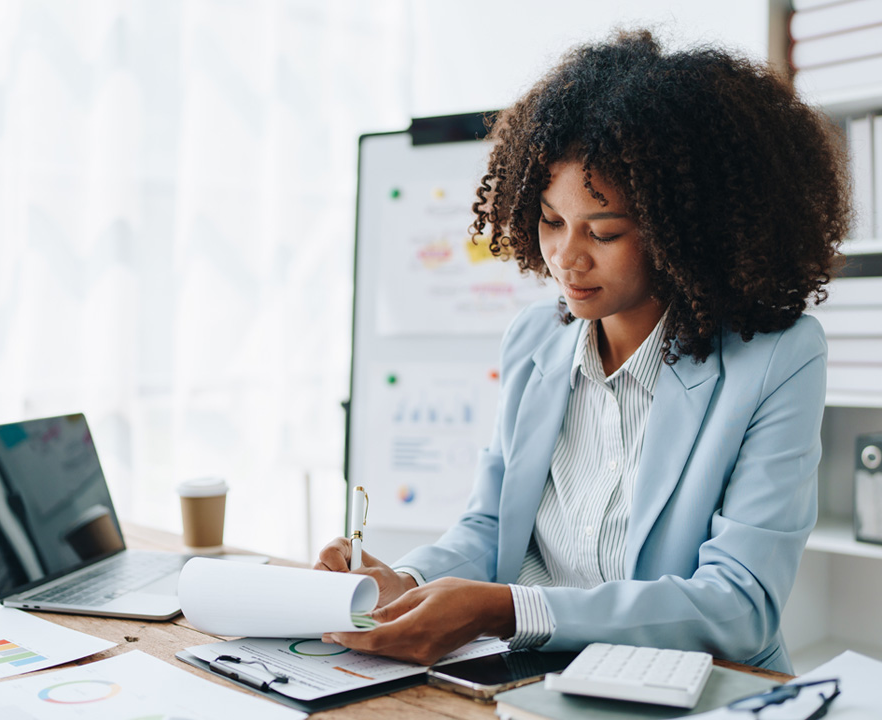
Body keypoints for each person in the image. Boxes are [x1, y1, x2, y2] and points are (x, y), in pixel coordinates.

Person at [315, 29, 850, 674]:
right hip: (534, 678)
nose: (566, 258)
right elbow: (488, 528)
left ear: (686, 230)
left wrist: (506, 609)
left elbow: (738, 608)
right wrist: (404, 580)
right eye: (549, 220)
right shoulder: (534, 341)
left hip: (695, 688)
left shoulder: (777, 360)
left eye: (605, 231)